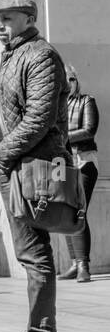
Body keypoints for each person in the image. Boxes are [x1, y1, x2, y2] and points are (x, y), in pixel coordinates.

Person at [0, 0, 71, 332]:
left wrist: (3, 154)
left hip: (28, 165)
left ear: (29, 18)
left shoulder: (40, 55)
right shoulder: (15, 57)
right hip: (16, 166)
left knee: (35, 253)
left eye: (7, 18)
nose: (0, 25)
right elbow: (19, 108)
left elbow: (39, 118)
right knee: (29, 252)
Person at [60, 66, 98, 282]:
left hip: (83, 161)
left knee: (78, 211)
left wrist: (61, 135)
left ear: (76, 80)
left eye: (71, 79)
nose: (68, 83)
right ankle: (74, 263)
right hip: (59, 162)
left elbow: (89, 130)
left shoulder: (86, 101)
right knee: (63, 212)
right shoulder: (54, 106)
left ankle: (84, 264)